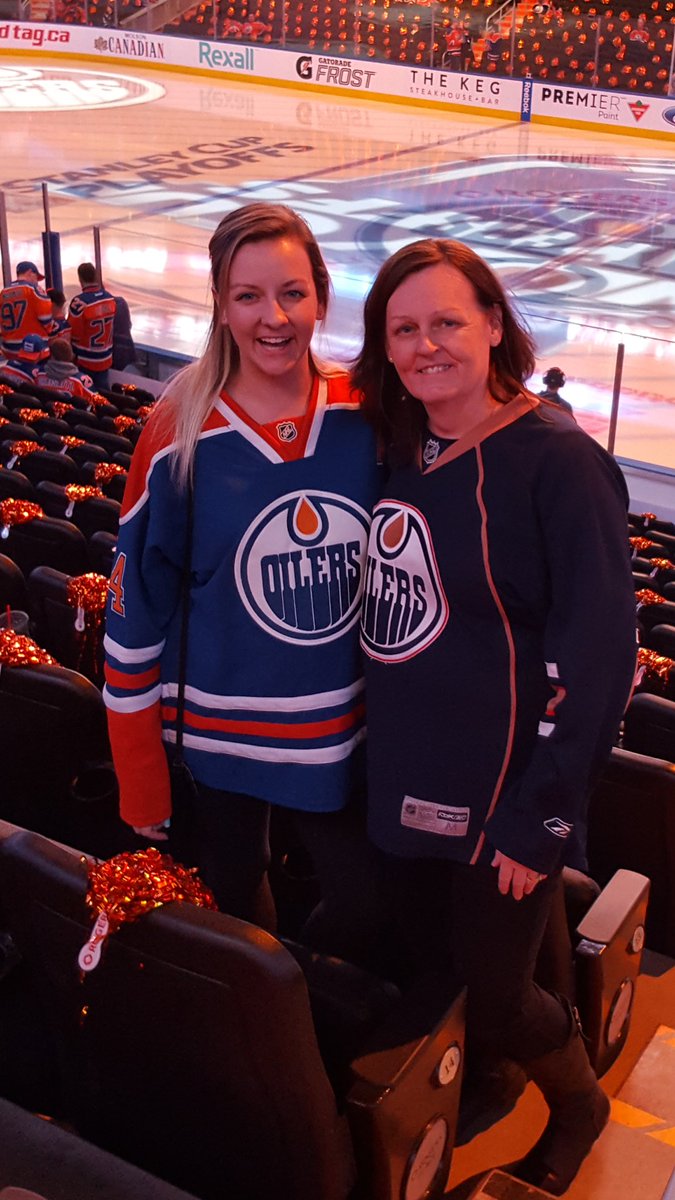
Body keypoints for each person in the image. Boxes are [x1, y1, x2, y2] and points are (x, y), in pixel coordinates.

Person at [352, 238, 637, 1196]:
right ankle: (489, 1070)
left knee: (503, 990)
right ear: (382, 346)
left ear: (493, 326)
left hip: (504, 793)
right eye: (403, 328)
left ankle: (579, 1103)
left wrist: (540, 815)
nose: (425, 343)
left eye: (446, 321)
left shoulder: (558, 464)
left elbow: (600, 663)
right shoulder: (396, 442)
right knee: (431, 953)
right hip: (402, 769)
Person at [103, 203, 382, 953]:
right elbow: (135, 610)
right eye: (248, 296)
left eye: (292, 293)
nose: (273, 318)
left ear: (321, 295)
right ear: (221, 306)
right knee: (236, 887)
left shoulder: (371, 412)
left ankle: (310, 992)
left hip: (345, 730)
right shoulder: (177, 430)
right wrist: (139, 773)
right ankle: (274, 1023)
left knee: (364, 900)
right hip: (220, 731)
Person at [68, 262, 116, 390]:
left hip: (86, 360)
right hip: (105, 358)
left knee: (86, 398)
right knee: (103, 398)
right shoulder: (110, 299)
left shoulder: (79, 303)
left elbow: (73, 334)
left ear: (80, 279)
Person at [0, 261, 53, 358]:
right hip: (32, 350)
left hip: (8, 350)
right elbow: (47, 319)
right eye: (36, 277)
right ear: (29, 272)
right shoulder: (34, 289)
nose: (37, 281)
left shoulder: (3, 292)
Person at [32, 337, 97, 403]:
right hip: (72, 412)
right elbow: (97, 402)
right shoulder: (81, 381)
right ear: (71, 356)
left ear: (51, 356)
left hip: (46, 411)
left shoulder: (39, 375)